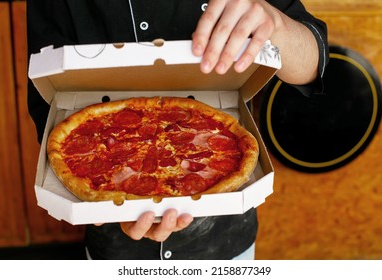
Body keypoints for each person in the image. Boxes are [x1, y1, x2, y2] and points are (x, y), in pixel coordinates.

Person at [27, 0, 329, 260]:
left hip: (225, 246)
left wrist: (274, 23)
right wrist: (99, 206)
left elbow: (313, 65)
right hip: (117, 252)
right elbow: (48, 105)